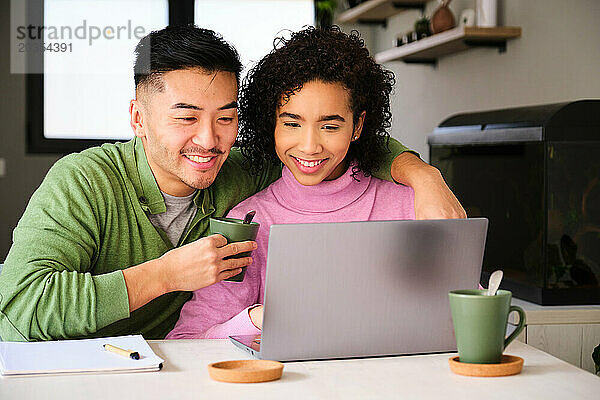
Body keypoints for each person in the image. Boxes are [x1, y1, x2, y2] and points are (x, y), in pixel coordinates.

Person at [0, 25, 464, 342]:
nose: (209, 140)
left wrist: (424, 175)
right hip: (54, 367)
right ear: (138, 117)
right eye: (187, 118)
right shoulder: (80, 181)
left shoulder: (241, 169)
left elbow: (330, 146)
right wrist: (167, 274)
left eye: (225, 118)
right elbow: (22, 303)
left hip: (165, 366)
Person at [167, 26, 422, 339]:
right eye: (291, 124)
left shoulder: (410, 204)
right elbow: (187, 340)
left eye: (330, 126)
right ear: (271, 123)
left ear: (357, 126)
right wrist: (260, 318)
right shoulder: (249, 223)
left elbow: (465, 309)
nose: (309, 146)